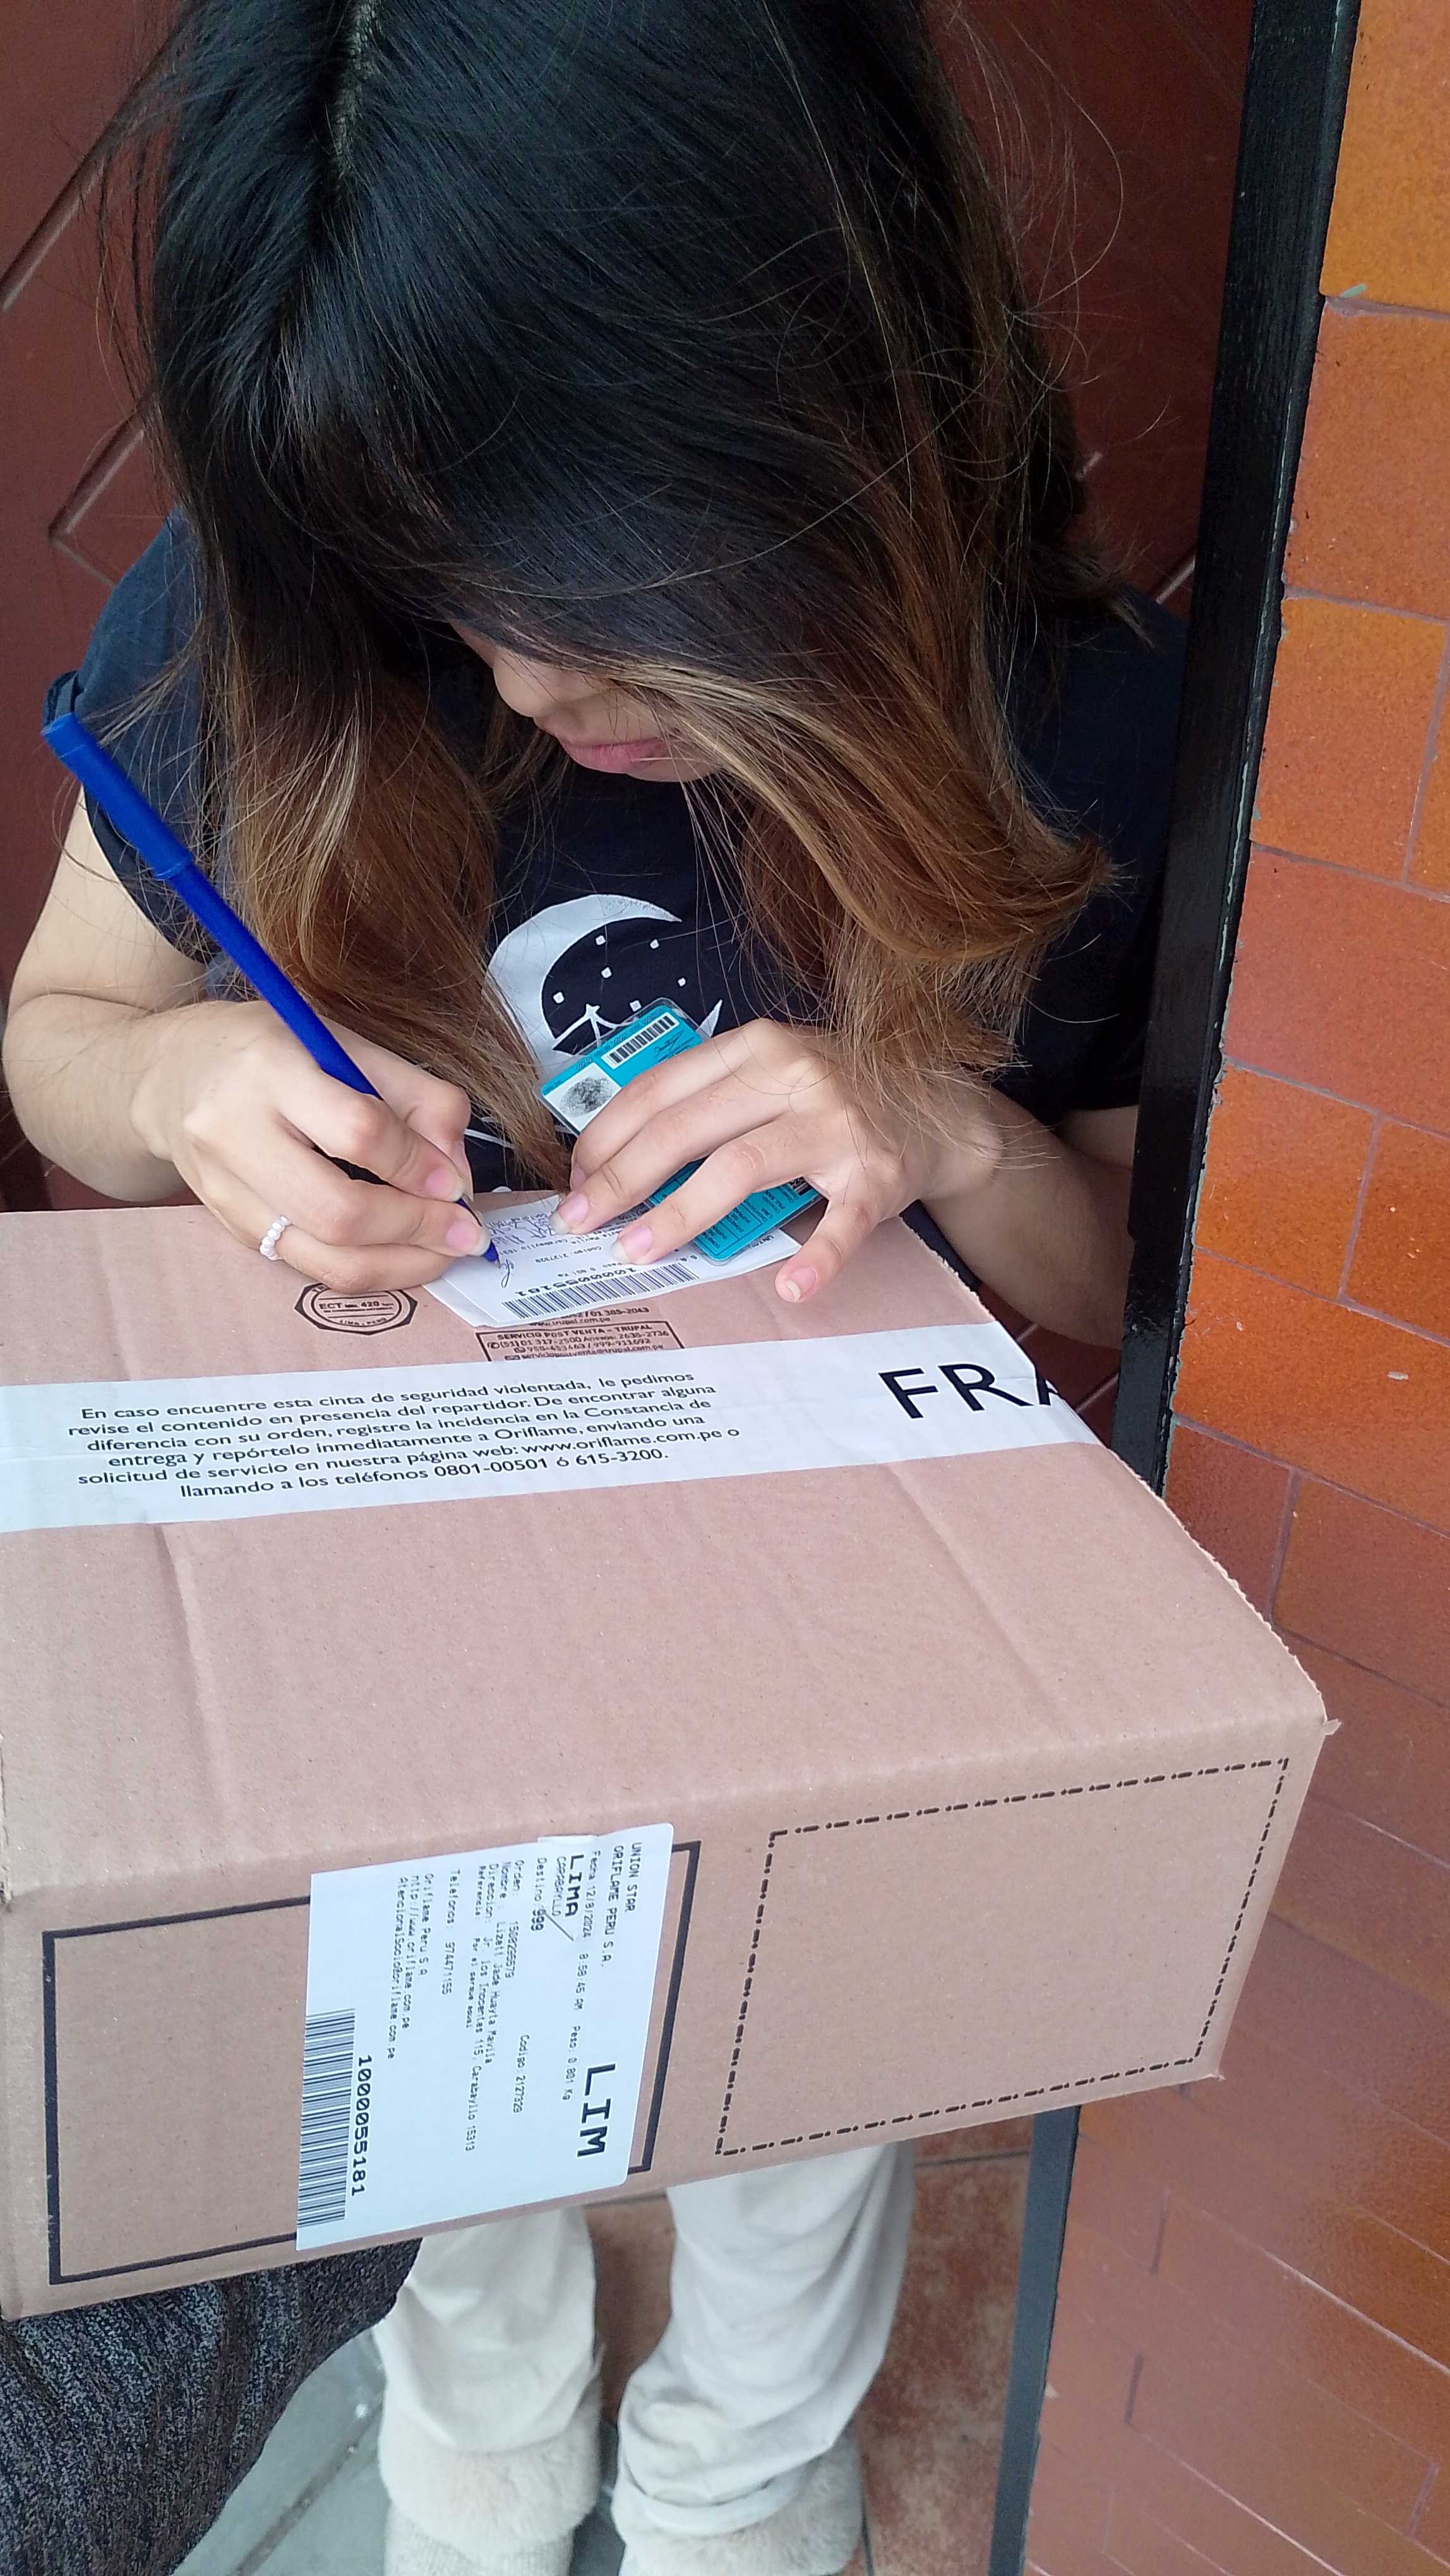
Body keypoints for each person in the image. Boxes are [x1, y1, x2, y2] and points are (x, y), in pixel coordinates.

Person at [4, 3, 1183, 2570]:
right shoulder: (279, 610)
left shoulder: (1087, 716)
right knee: (451, 2032)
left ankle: (741, 2485)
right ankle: (480, 2451)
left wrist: (945, 1121)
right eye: (457, 595)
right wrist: (186, 1078)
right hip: (414, 1553)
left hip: (838, 1595)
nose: (537, 685)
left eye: (623, 590)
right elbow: (58, 1037)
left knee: (809, 2055)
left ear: (847, 416)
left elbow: (1117, 1262)